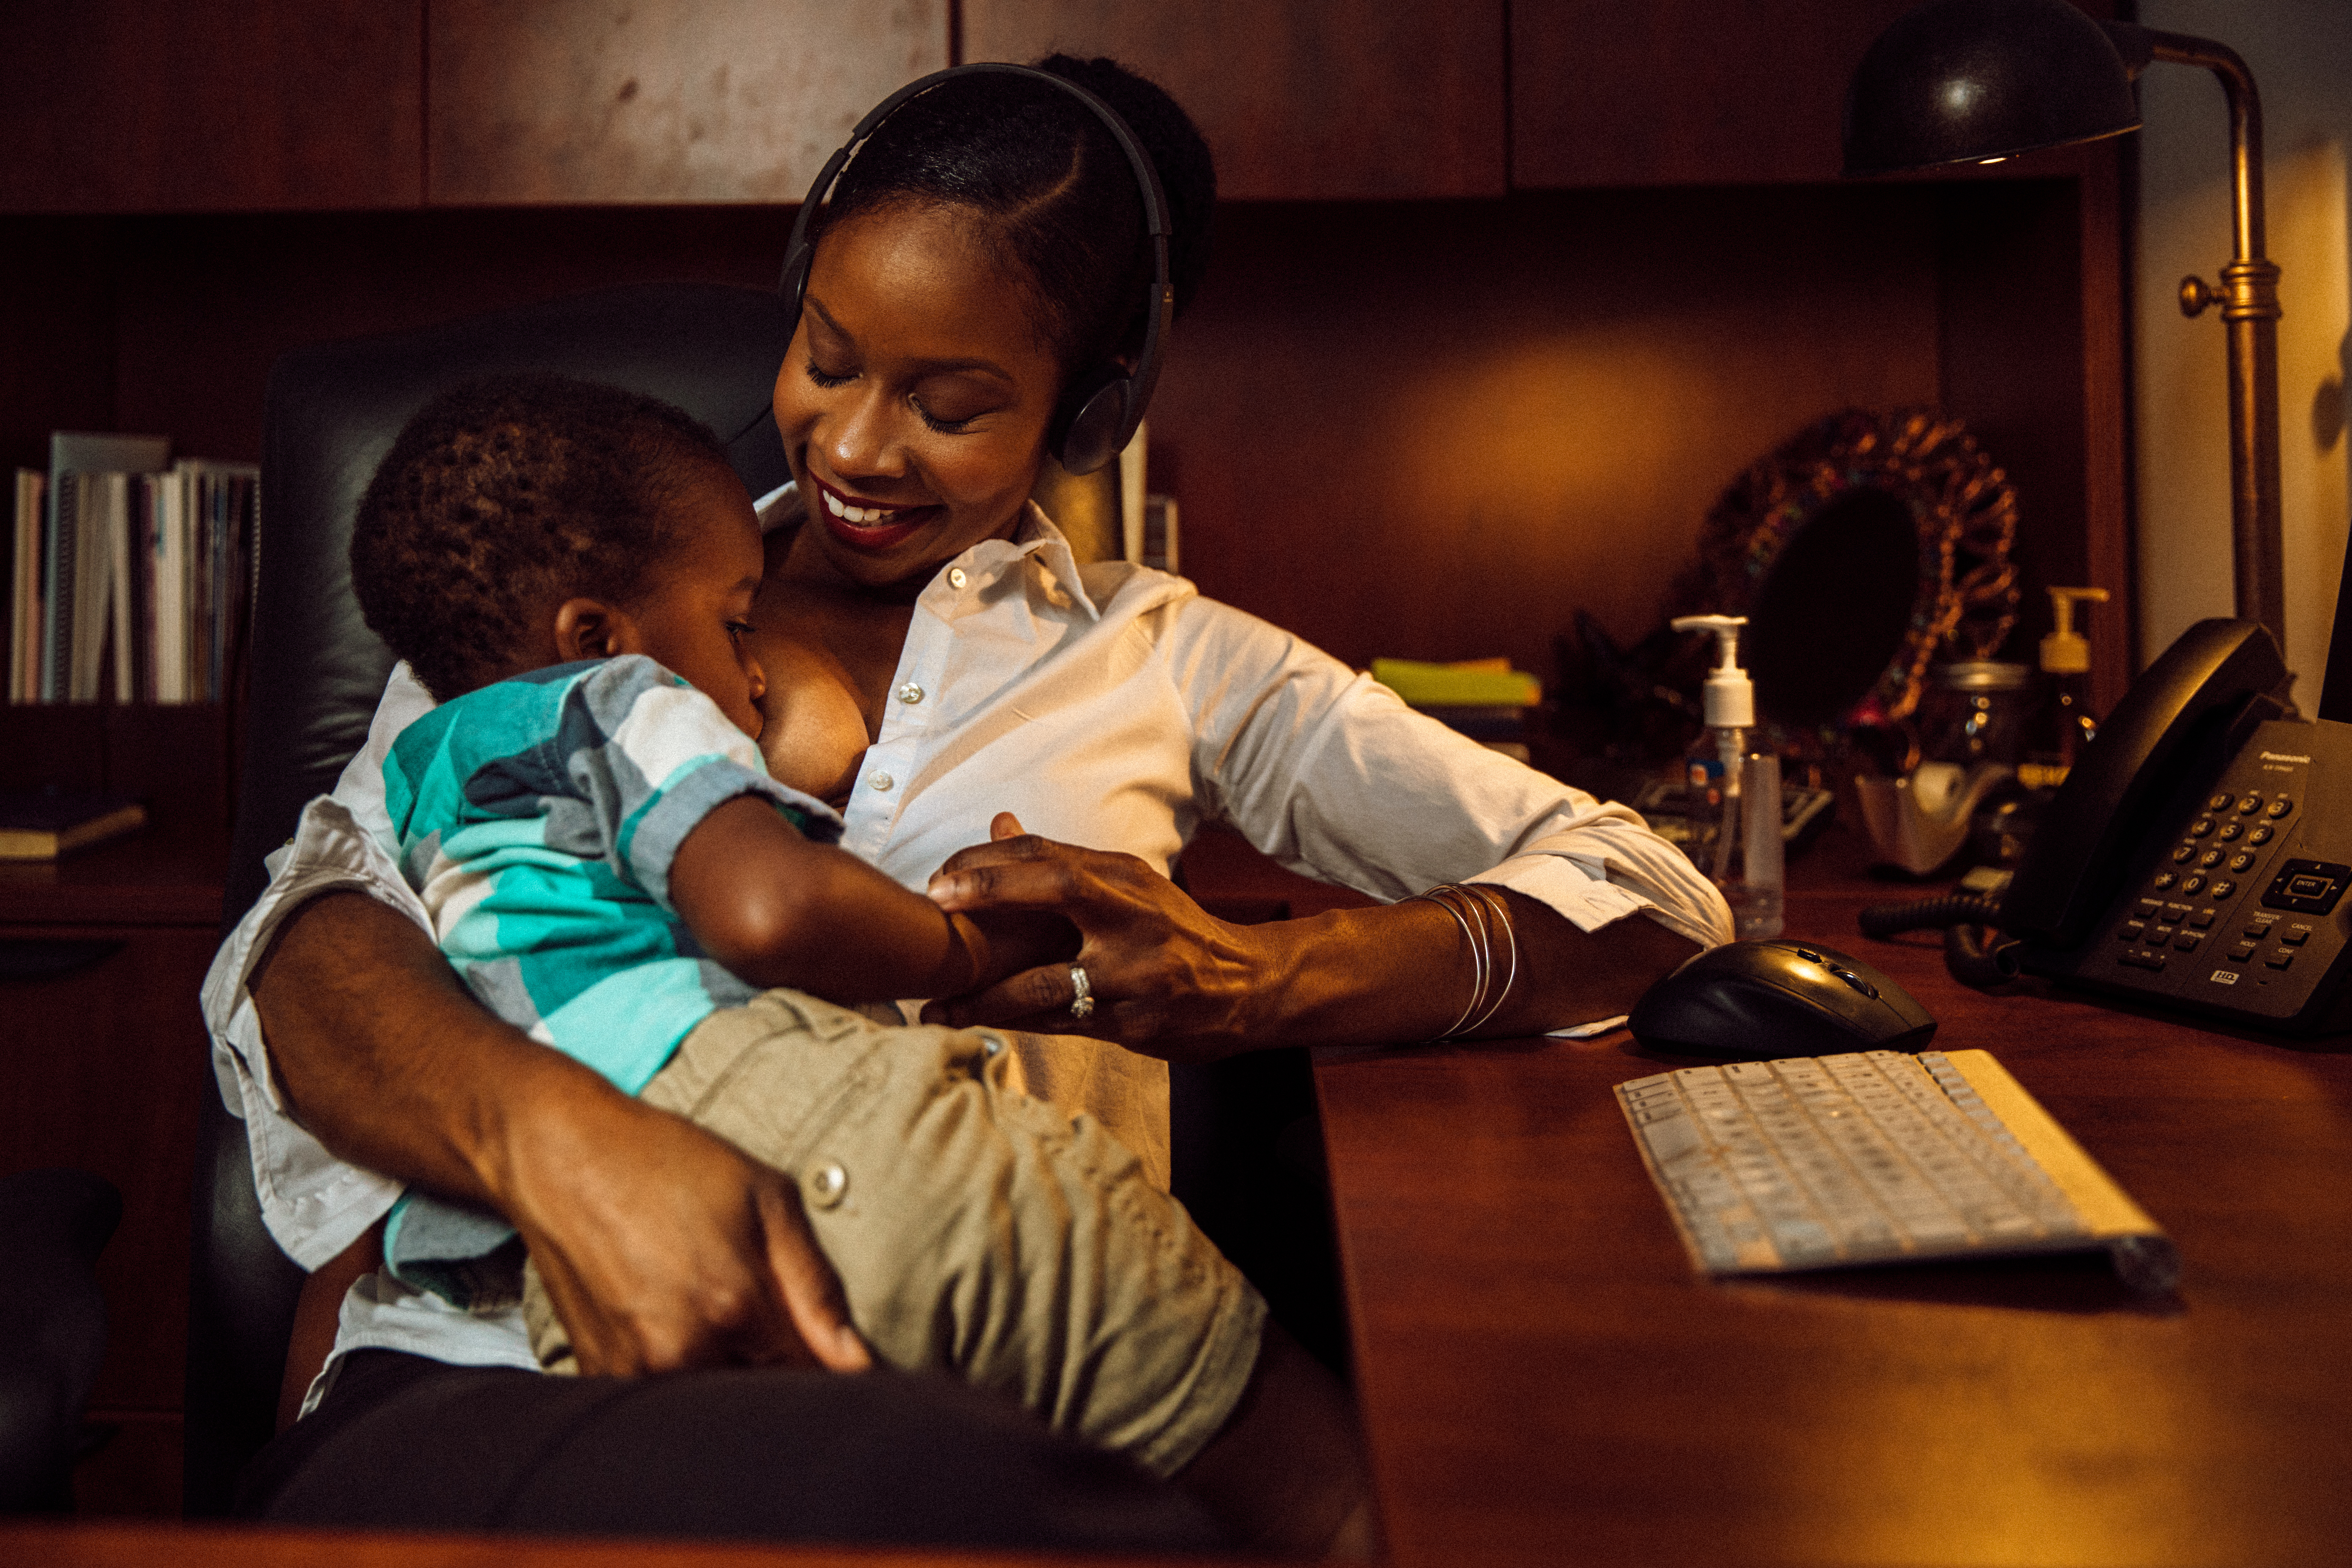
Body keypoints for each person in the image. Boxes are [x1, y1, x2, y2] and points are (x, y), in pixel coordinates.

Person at [205, 55, 1729, 1551]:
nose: (859, 445)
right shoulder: (569, 600)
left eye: (950, 403)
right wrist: (565, 1142)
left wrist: (1254, 977)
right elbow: (305, 956)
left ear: (1090, 412)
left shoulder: (1169, 661)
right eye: (827, 354)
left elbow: (1648, 892)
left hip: (971, 1383)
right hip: (485, 1353)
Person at [344, 370, 1331, 1526]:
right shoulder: (618, 698)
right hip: (793, 1128)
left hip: (555, 1257)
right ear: (598, 636)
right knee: (1294, 1448)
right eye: (736, 623)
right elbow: (770, 911)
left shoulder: (416, 780)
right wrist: (965, 945)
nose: (755, 667)